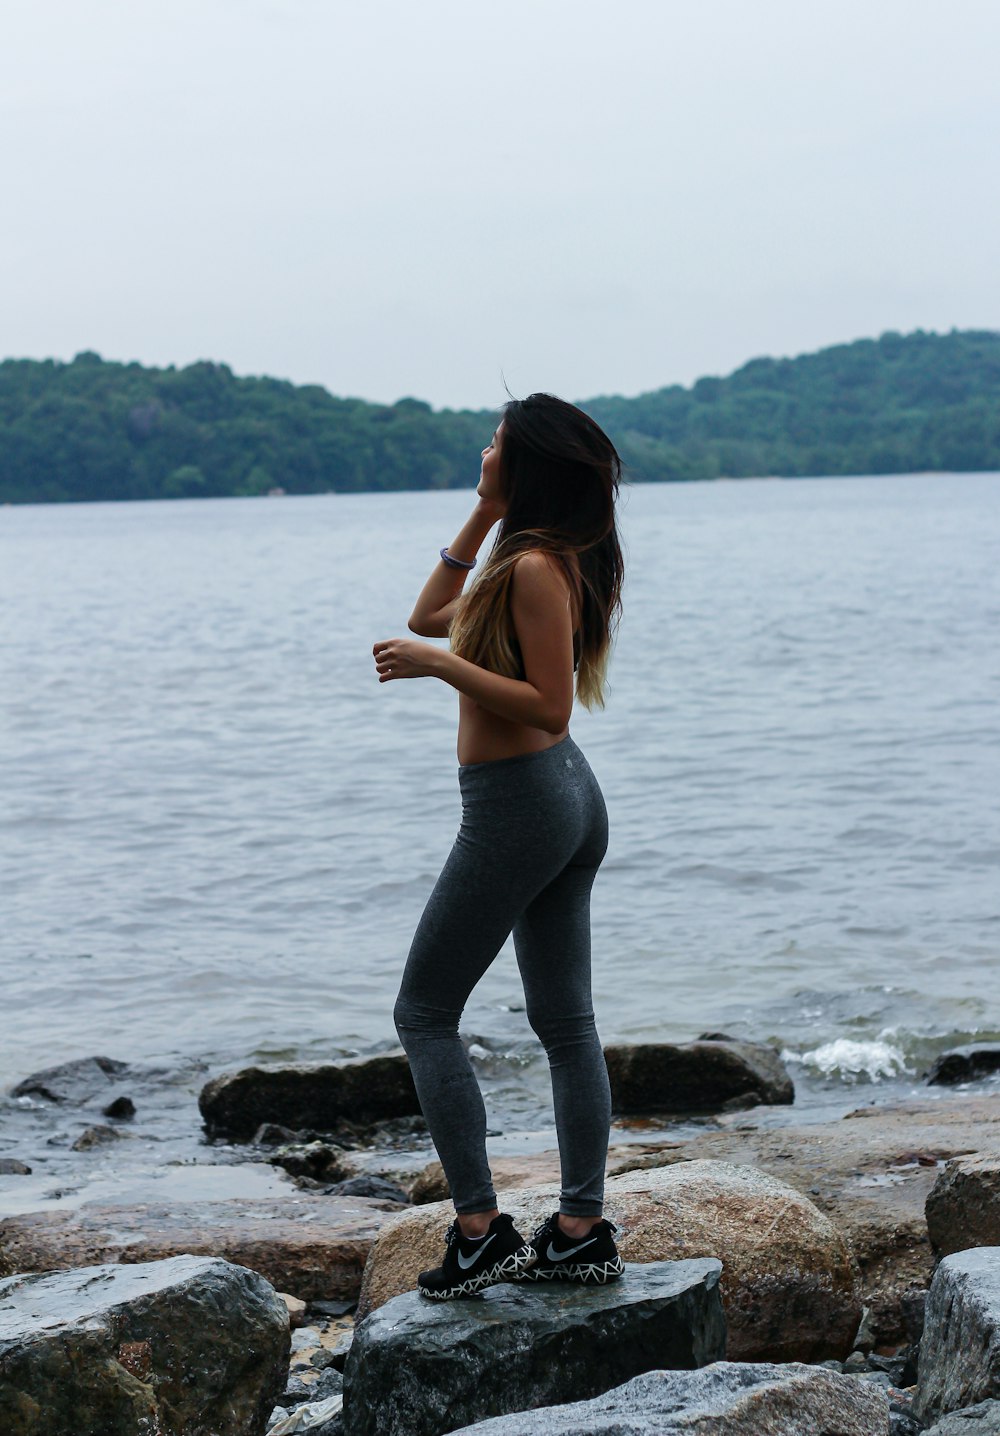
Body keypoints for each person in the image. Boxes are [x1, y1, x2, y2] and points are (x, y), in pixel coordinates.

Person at [372, 392, 625, 1300]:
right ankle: (577, 1232)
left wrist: (438, 668)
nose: (483, 451)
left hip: (522, 805)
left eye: (496, 449)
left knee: (423, 1012)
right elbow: (431, 609)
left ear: (529, 466)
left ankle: (478, 1231)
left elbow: (550, 705)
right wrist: (481, 508)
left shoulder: (536, 569)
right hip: (562, 799)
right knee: (565, 1024)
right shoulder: (529, 555)